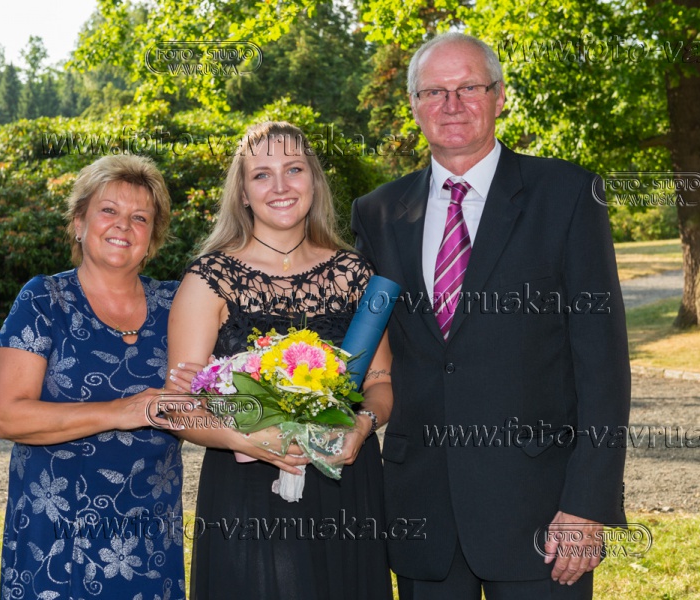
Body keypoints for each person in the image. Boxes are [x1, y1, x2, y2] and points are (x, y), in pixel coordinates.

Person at [351, 32, 630, 599]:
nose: (451, 105)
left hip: (541, 514)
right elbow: (365, 348)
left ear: (499, 96)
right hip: (421, 511)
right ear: (414, 105)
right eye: (434, 91)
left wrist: (586, 504)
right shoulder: (377, 213)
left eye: (469, 88)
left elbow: (603, 364)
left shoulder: (568, 195)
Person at [166, 121, 394, 600]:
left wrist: (363, 425)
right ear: (243, 193)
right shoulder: (209, 279)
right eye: (261, 174)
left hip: (344, 481)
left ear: (314, 179)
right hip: (248, 488)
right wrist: (247, 435)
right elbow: (179, 406)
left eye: (293, 169)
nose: (281, 186)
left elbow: (379, 381)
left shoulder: (355, 274)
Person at [0, 154, 197, 600]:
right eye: (109, 210)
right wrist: (122, 411)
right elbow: (6, 417)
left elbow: (204, 400)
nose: (123, 225)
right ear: (78, 223)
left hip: (148, 539)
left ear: (153, 237)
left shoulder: (178, 304)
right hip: (56, 536)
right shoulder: (44, 300)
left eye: (140, 217)